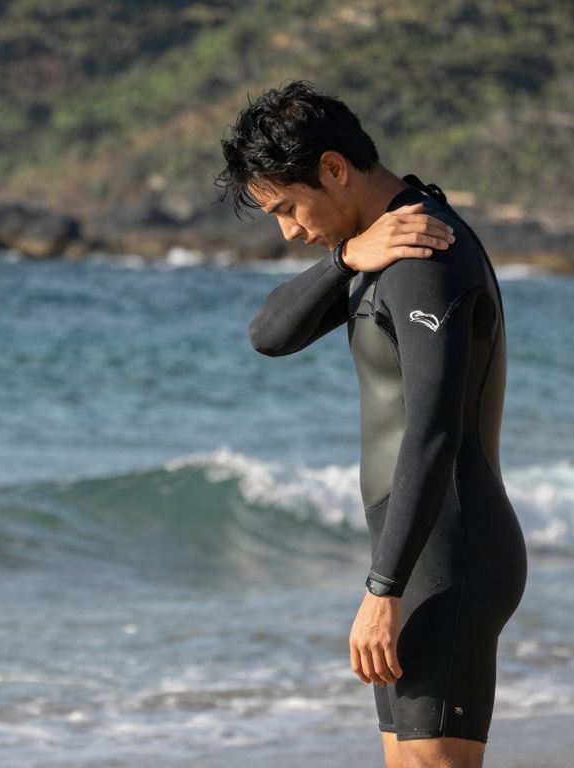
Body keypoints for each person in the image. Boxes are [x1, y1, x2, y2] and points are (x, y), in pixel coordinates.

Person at [216, 81, 528, 768]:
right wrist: (345, 259)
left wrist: (383, 588)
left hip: (444, 555)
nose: (289, 231)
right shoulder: (378, 250)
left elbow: (434, 430)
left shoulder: (425, 253)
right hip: (423, 554)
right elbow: (269, 334)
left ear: (334, 169)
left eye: (289, 208)